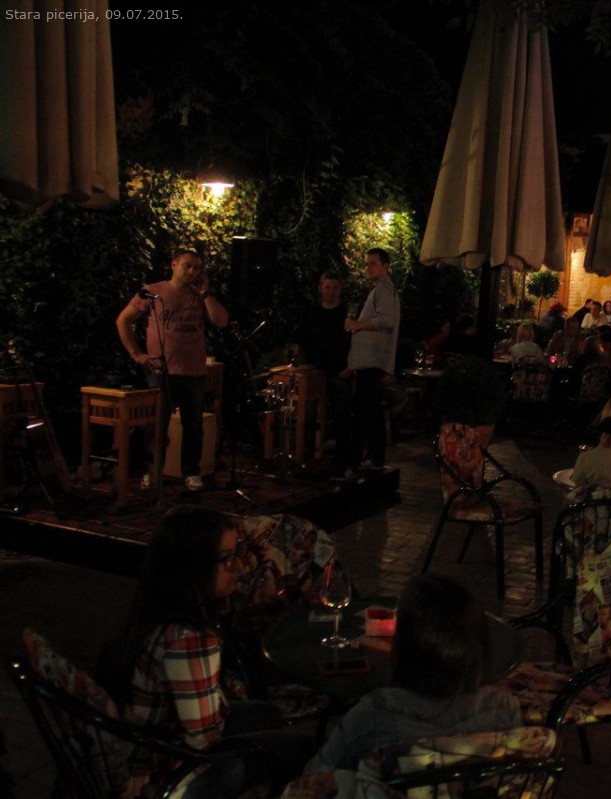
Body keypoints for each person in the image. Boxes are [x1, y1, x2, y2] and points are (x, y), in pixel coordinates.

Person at [102, 507, 310, 797]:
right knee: (301, 748)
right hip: (162, 777)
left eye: (237, 553)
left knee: (268, 714)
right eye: (227, 559)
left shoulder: (153, 612)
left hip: (142, 747)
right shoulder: (188, 640)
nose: (239, 567)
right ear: (192, 568)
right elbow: (203, 740)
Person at [304, 574, 520, 774]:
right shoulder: (504, 709)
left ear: (404, 647)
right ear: (480, 646)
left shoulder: (374, 716)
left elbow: (316, 775)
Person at [116, 248, 230, 492]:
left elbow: (221, 321)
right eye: (187, 265)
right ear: (174, 264)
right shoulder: (153, 292)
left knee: (193, 425)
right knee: (156, 425)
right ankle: (152, 471)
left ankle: (191, 472)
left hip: (193, 370)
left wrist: (206, 293)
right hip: (161, 370)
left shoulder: (199, 296)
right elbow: (123, 320)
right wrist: (137, 354)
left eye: (197, 268)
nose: (192, 272)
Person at [339, 247, 400, 473]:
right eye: (367, 264)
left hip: (371, 362)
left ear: (385, 266)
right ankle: (373, 458)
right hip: (368, 361)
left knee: (368, 411)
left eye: (373, 264)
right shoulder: (380, 289)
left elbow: (387, 320)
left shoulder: (384, 289)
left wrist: (358, 325)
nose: (368, 268)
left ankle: (370, 459)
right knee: (371, 411)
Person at [292, 272, 352, 450]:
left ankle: (342, 450)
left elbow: (355, 342)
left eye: (335, 287)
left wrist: (351, 367)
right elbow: (300, 340)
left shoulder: (347, 314)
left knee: (342, 410)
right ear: (320, 289)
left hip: (339, 370)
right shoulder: (311, 313)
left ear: (340, 289)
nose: (331, 292)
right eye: (327, 287)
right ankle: (308, 448)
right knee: (308, 410)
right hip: (314, 371)